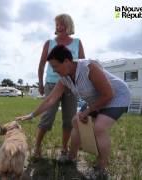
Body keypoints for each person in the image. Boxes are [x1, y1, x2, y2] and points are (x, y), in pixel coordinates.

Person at [16, 45, 131, 178]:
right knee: (76, 121)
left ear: (67, 61)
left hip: (117, 96)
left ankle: (101, 168)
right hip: (96, 100)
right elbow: (50, 100)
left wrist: (88, 111)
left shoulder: (88, 68)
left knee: (99, 127)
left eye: (55, 66)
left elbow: (108, 94)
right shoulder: (64, 78)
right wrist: (31, 115)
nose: (54, 71)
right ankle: (71, 157)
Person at [36, 13, 85, 161]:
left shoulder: (77, 42)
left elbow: (82, 64)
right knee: (47, 116)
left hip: (71, 85)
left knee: (69, 118)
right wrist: (40, 82)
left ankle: (64, 149)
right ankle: (37, 147)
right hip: (52, 83)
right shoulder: (49, 43)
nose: (59, 27)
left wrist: (81, 85)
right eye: (57, 24)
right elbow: (42, 64)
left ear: (69, 25)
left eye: (62, 24)